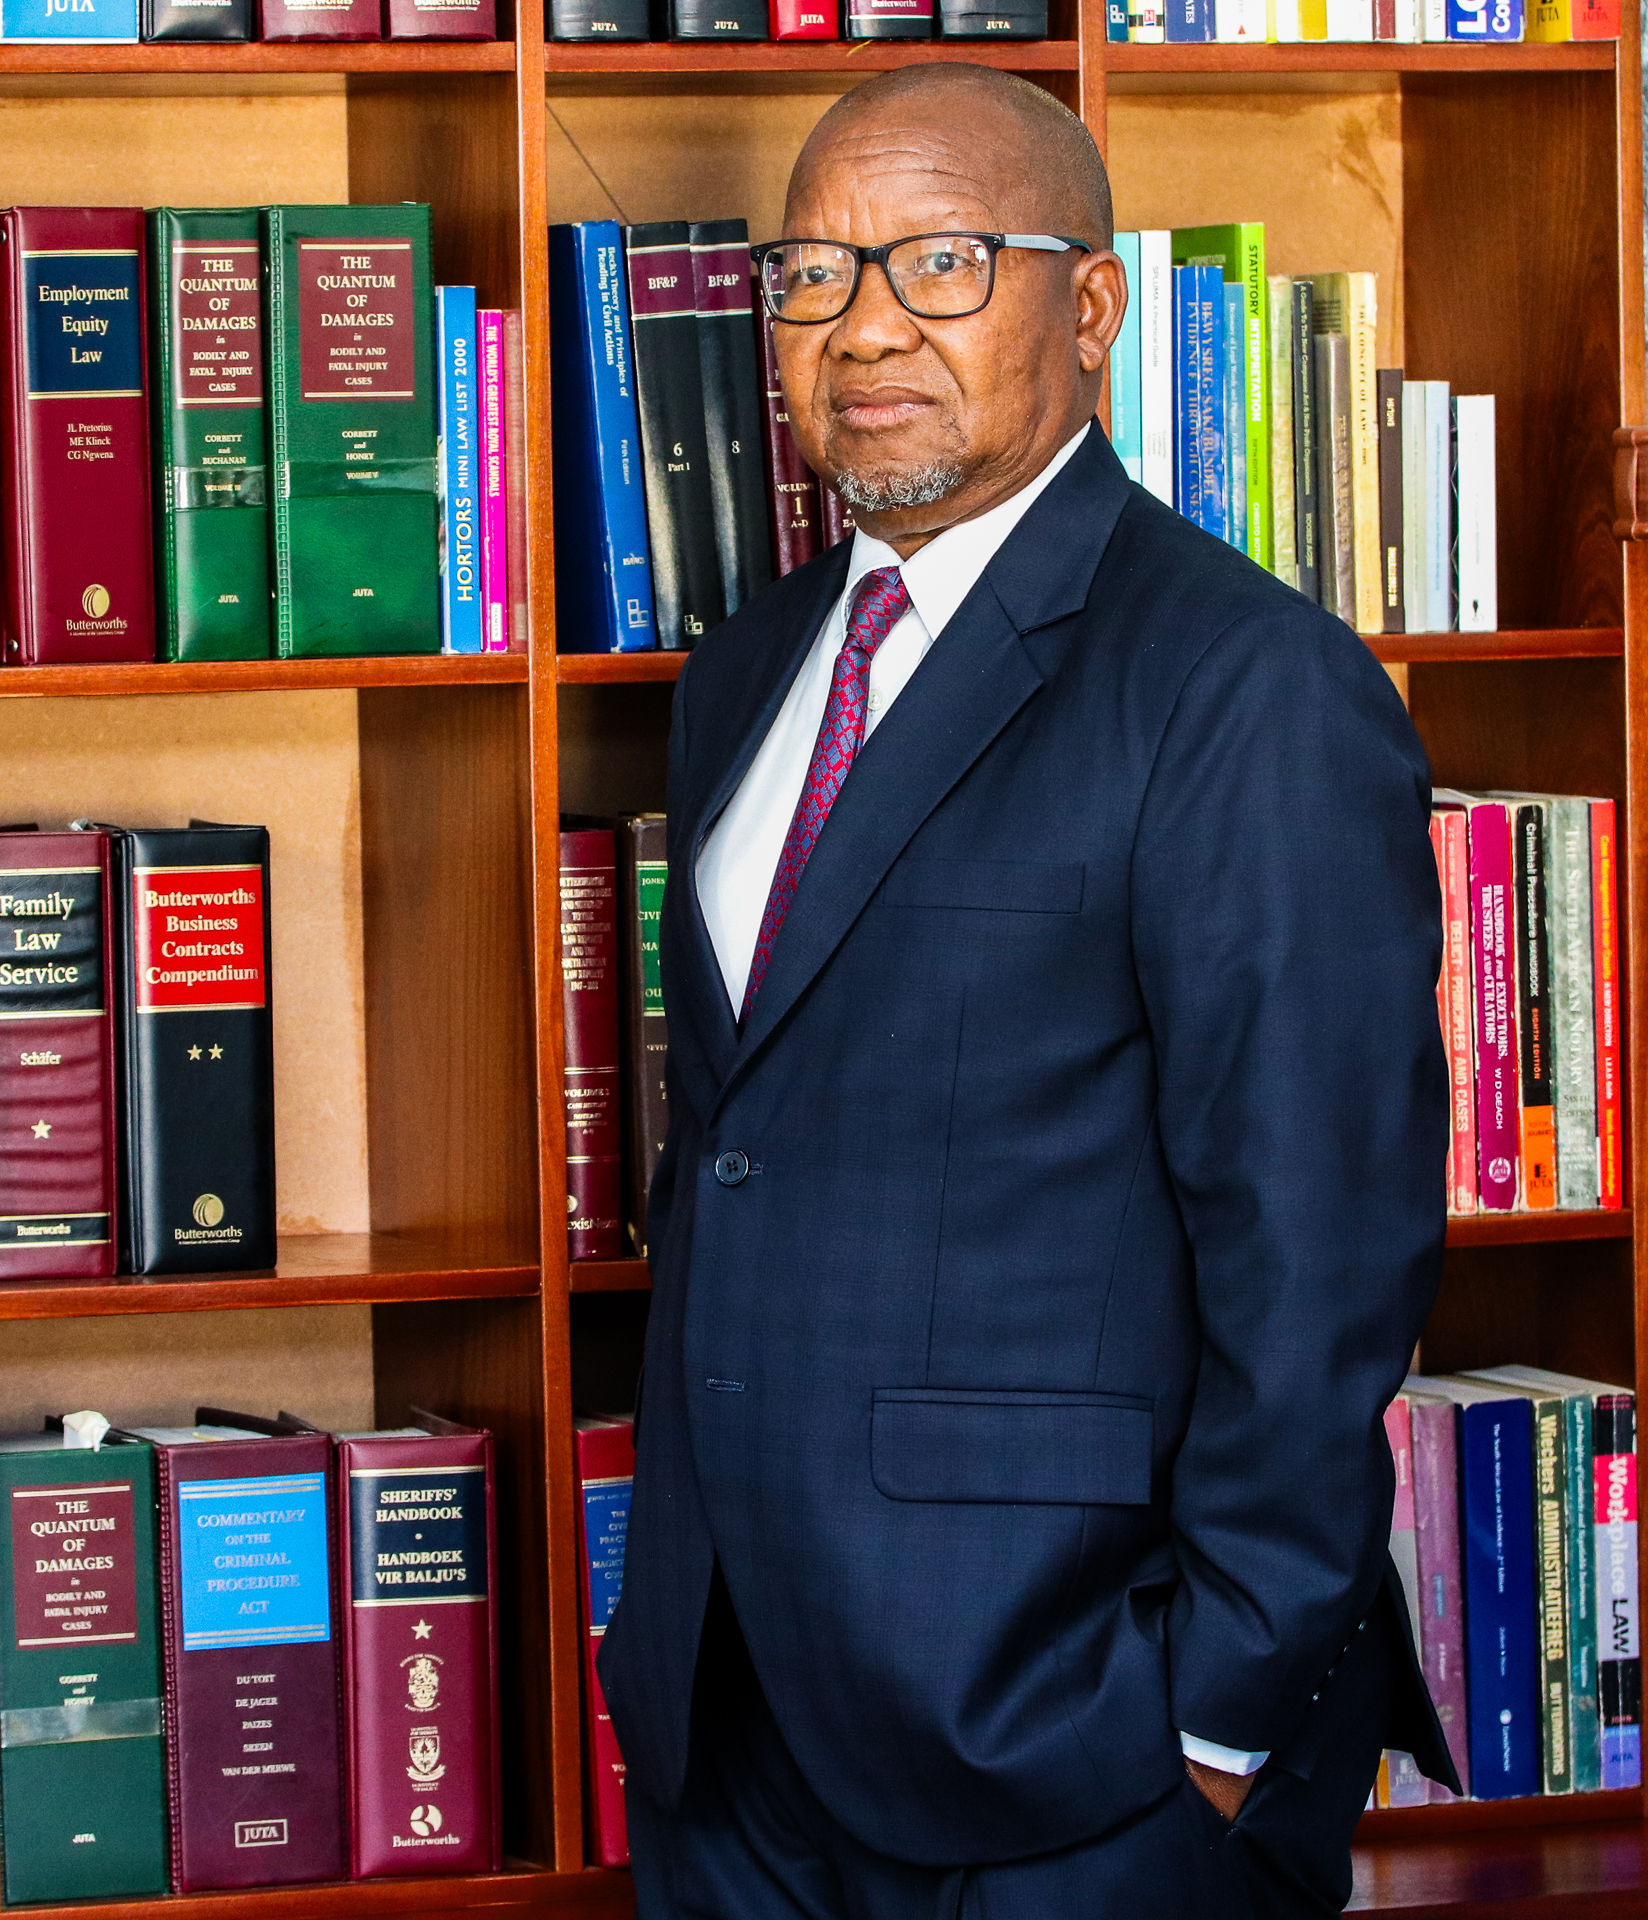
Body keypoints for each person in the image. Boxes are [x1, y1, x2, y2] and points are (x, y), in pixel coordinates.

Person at [597, 61, 1457, 1919]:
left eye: (944, 263)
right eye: (814, 273)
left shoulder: (1245, 685)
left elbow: (1320, 1251)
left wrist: (1214, 1719)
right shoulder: (751, 669)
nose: (863, 328)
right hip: (728, 1713)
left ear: (1093, 306)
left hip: (1070, 1738)